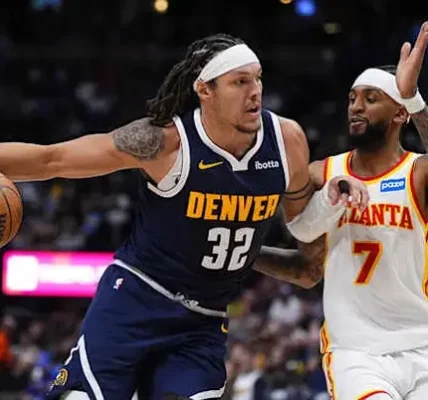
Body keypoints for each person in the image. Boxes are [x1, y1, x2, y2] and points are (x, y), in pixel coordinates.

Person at [0, 34, 367, 400]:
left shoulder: (286, 140)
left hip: (202, 323)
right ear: (205, 90)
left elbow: (304, 241)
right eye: (240, 81)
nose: (255, 91)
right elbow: (53, 159)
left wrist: (328, 199)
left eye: (257, 78)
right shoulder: (166, 143)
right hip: (134, 303)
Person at [256, 22, 428, 399]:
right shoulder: (321, 174)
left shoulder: (417, 174)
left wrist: (414, 97)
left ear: (400, 113)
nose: (356, 106)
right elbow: (308, 269)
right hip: (357, 352)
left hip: (423, 345)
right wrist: (242, 253)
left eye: (371, 98)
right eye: (352, 98)